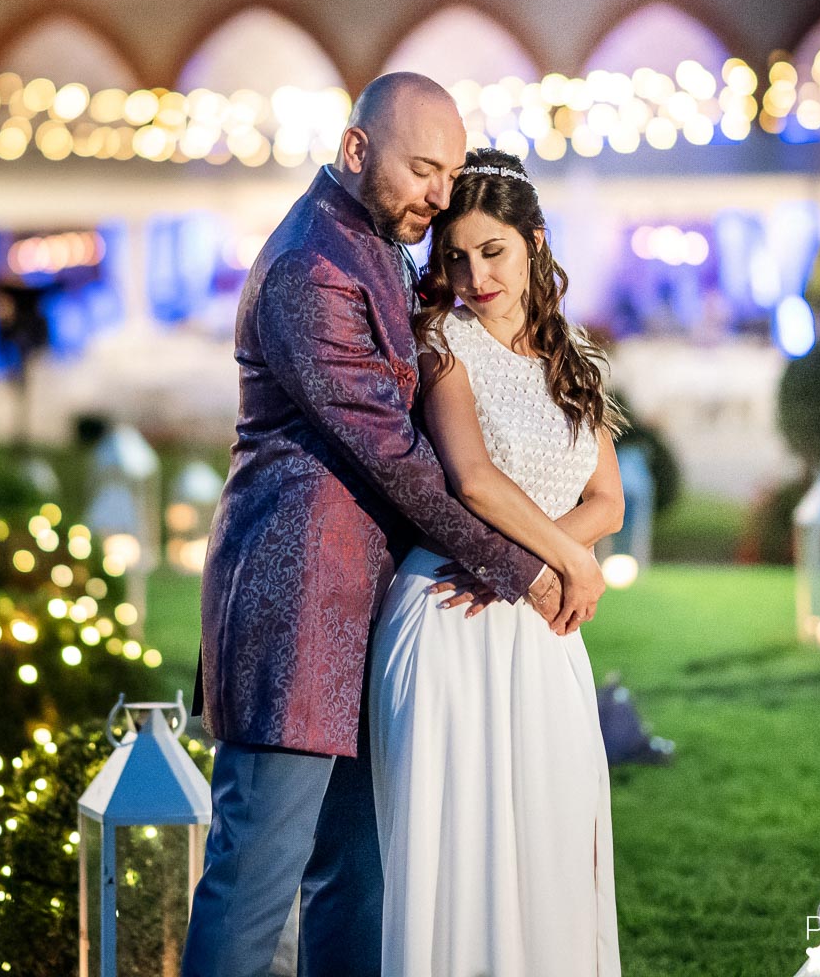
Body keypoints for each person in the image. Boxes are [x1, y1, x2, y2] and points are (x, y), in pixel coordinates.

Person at [184, 75, 580, 977]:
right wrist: (524, 567)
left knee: (354, 883)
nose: (440, 196)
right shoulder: (311, 269)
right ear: (357, 150)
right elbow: (396, 456)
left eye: (448, 172)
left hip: (368, 622)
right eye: (423, 169)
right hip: (296, 618)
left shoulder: (380, 244)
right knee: (253, 887)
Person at [369, 147, 624, 976]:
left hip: (545, 635)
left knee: (552, 844)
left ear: (535, 243)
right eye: (456, 257)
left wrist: (557, 570)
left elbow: (608, 502)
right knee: (461, 860)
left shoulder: (574, 360)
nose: (476, 275)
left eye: (493, 252)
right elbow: (474, 479)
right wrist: (568, 565)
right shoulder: (443, 344)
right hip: (453, 617)